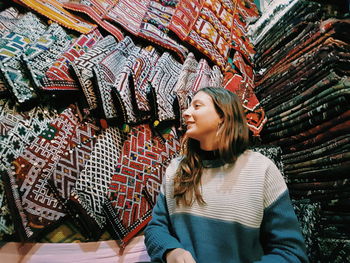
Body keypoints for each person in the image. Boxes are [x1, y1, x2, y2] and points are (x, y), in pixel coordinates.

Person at [144, 87, 309, 263]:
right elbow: (156, 227)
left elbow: (291, 253)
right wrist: (170, 251)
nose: (185, 112)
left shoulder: (261, 170)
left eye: (197, 106)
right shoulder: (176, 169)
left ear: (223, 115)